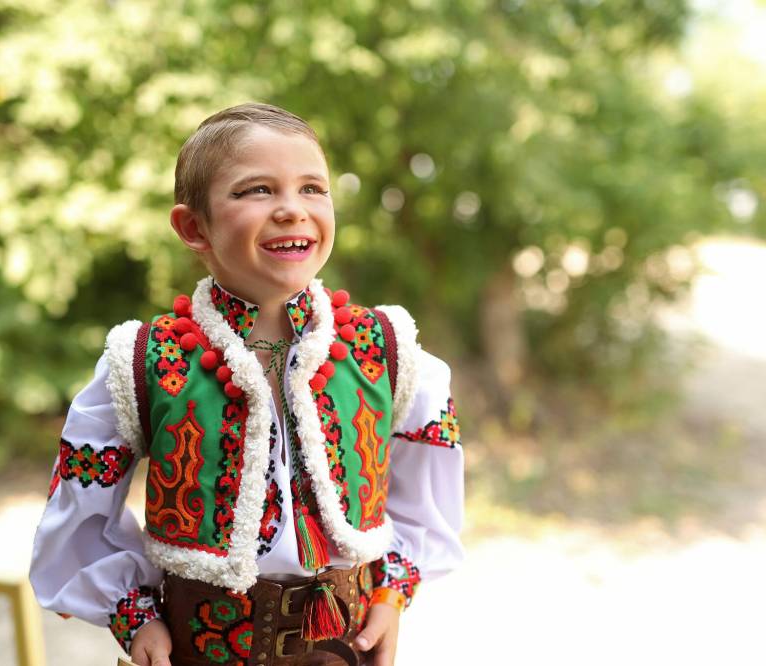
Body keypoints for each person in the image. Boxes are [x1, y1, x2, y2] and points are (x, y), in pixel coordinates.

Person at [29, 102, 465, 666]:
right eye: (257, 190)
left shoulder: (385, 349)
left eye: (313, 188)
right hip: (199, 645)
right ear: (193, 227)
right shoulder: (145, 360)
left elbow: (423, 495)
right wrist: (134, 615)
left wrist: (392, 594)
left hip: (343, 644)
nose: (292, 210)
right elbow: (81, 513)